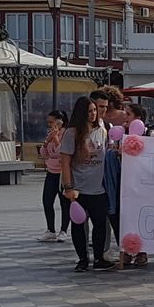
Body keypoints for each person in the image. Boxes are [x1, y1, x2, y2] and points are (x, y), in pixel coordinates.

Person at [60, 96, 113, 272]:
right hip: (78, 188)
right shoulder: (71, 133)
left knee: (100, 224)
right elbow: (65, 161)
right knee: (79, 225)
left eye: (95, 110)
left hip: (99, 187)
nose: (94, 114)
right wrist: (68, 187)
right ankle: (83, 258)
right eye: (90, 111)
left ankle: (99, 257)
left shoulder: (102, 130)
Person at [38, 109, 71, 242]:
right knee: (47, 201)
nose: (50, 125)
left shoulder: (66, 134)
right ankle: (50, 229)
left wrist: (56, 138)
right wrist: (47, 141)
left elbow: (62, 151)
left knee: (64, 203)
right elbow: (44, 154)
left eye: (52, 122)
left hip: (63, 173)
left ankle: (64, 230)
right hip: (51, 171)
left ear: (60, 122)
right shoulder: (50, 134)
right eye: (48, 122)